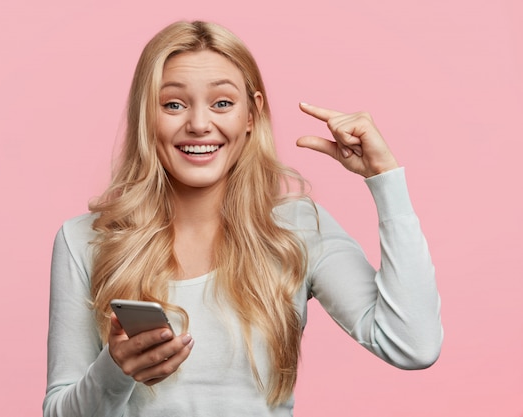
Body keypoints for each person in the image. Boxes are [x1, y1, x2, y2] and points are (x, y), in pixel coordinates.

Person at [43, 20, 443, 417]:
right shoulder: (84, 240)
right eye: (173, 104)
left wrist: (385, 180)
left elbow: (413, 344)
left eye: (222, 103)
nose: (199, 124)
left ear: (251, 116)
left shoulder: (297, 229)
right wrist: (115, 371)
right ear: (147, 116)